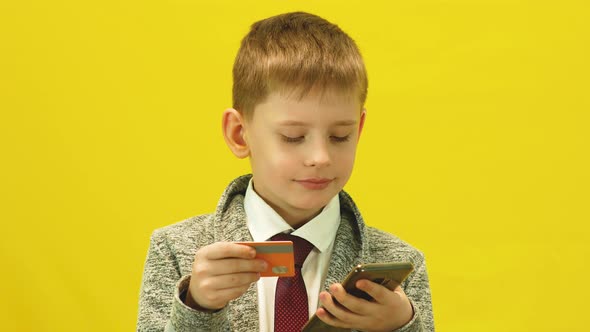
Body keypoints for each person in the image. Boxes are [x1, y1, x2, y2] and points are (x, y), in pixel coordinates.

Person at [137, 11, 434, 332]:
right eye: (293, 137)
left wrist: (401, 328)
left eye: (339, 136)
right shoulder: (176, 249)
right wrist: (197, 308)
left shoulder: (399, 266)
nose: (320, 157)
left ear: (359, 130)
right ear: (239, 134)